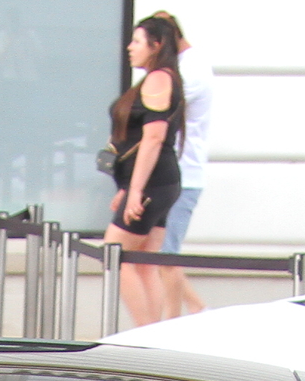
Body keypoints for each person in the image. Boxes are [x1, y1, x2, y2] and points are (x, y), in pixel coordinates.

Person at [104, 14, 185, 329]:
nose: (129, 47)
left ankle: (145, 332)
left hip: (154, 183)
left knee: (116, 255)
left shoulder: (158, 79)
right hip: (157, 182)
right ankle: (153, 333)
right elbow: (140, 141)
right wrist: (127, 185)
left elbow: (153, 138)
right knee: (143, 264)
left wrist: (136, 189)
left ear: (157, 45)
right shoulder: (161, 78)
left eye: (137, 41)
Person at [152, 11, 211, 317]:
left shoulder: (191, 71)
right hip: (175, 174)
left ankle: (174, 320)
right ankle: (193, 306)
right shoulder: (183, 68)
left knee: (165, 255)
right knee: (160, 252)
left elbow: (162, 109)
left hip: (183, 175)